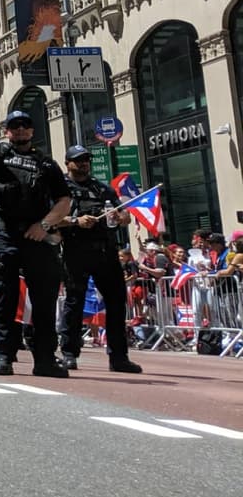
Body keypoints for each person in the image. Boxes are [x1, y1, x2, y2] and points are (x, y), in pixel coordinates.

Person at [0, 70, 71, 377]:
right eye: (15, 126)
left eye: (25, 125)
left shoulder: (47, 164)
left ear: (32, 130)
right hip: (4, 233)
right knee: (5, 295)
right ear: (7, 130)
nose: (21, 130)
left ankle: (45, 359)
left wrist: (45, 225)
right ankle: (4, 355)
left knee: (44, 296)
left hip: (36, 235)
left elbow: (64, 201)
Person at [53, 145, 142, 373]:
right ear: (68, 163)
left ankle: (119, 356)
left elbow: (124, 215)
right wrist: (76, 221)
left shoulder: (101, 188)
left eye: (86, 160)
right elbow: (49, 219)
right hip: (76, 251)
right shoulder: (60, 189)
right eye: (78, 160)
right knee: (75, 303)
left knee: (115, 302)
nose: (83, 164)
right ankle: (69, 353)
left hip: (106, 251)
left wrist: (120, 218)